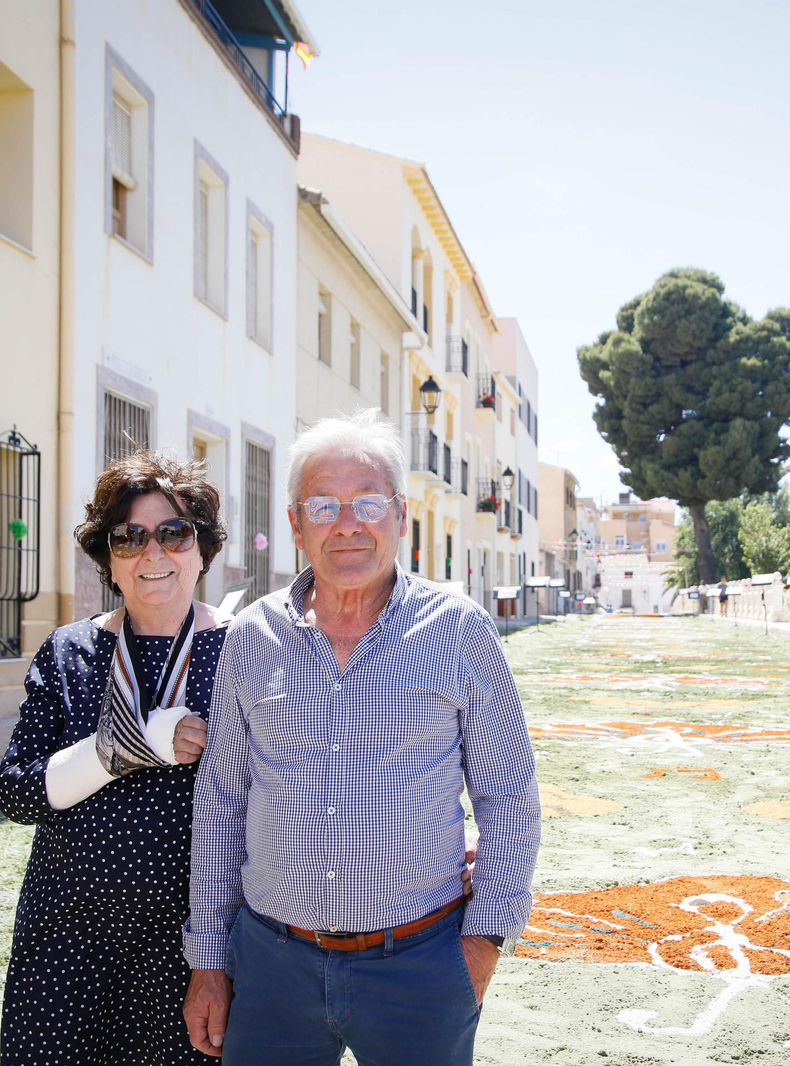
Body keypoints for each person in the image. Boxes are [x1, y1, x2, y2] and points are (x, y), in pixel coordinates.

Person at [182, 410, 541, 1066]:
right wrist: (208, 959)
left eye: (367, 502)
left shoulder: (459, 633)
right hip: (270, 969)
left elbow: (508, 797)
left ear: (400, 515)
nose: (347, 523)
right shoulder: (250, 639)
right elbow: (220, 805)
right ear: (295, 523)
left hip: (421, 968)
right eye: (323, 505)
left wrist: (484, 942)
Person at [0, 452, 231, 1066]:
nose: (153, 554)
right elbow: (16, 792)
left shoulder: (243, 653)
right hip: (67, 934)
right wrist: (117, 750)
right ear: (109, 560)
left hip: (190, 944)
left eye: (174, 533)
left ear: (201, 549)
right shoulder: (69, 651)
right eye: (129, 537)